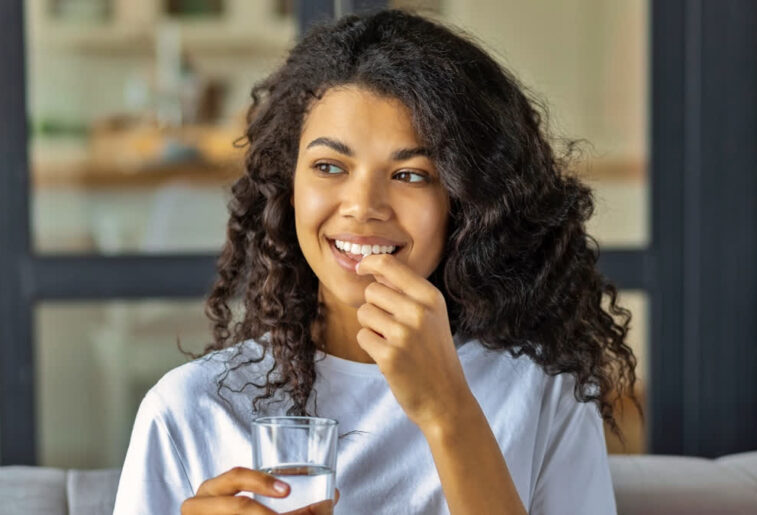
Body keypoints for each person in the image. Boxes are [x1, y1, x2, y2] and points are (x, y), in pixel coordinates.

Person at [113, 8, 640, 515]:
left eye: (410, 175)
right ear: (288, 187)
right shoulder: (192, 410)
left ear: (466, 202)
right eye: (329, 166)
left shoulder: (541, 389)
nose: (363, 206)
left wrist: (447, 410)